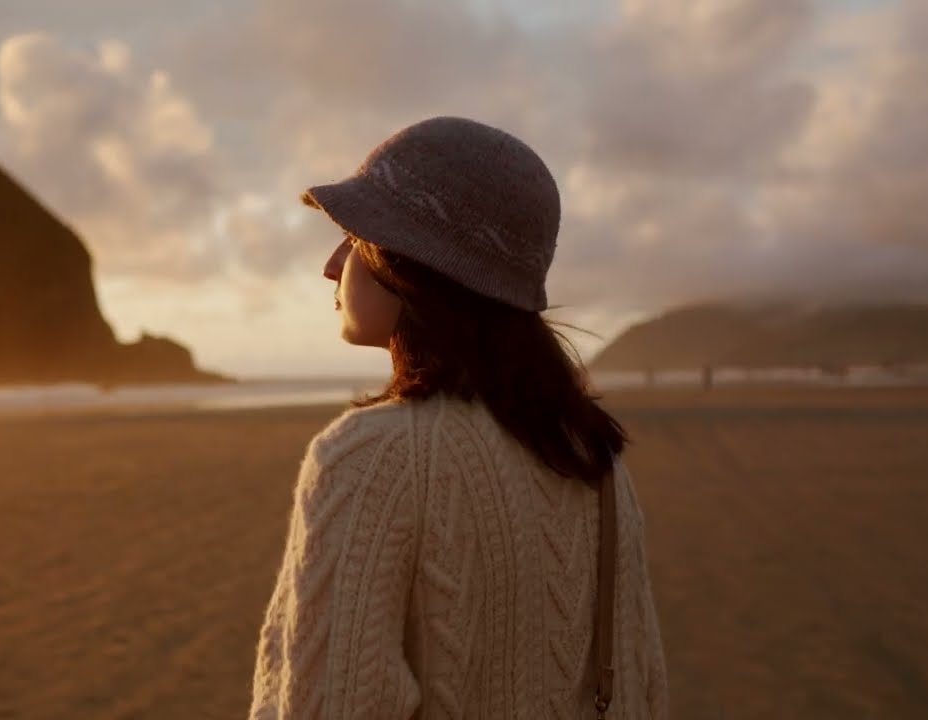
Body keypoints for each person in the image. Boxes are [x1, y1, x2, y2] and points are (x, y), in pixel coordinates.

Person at [248, 117, 669, 719]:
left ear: (411, 266)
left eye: (355, 235)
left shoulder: (373, 457)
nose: (332, 262)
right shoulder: (591, 458)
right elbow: (640, 688)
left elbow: (330, 704)